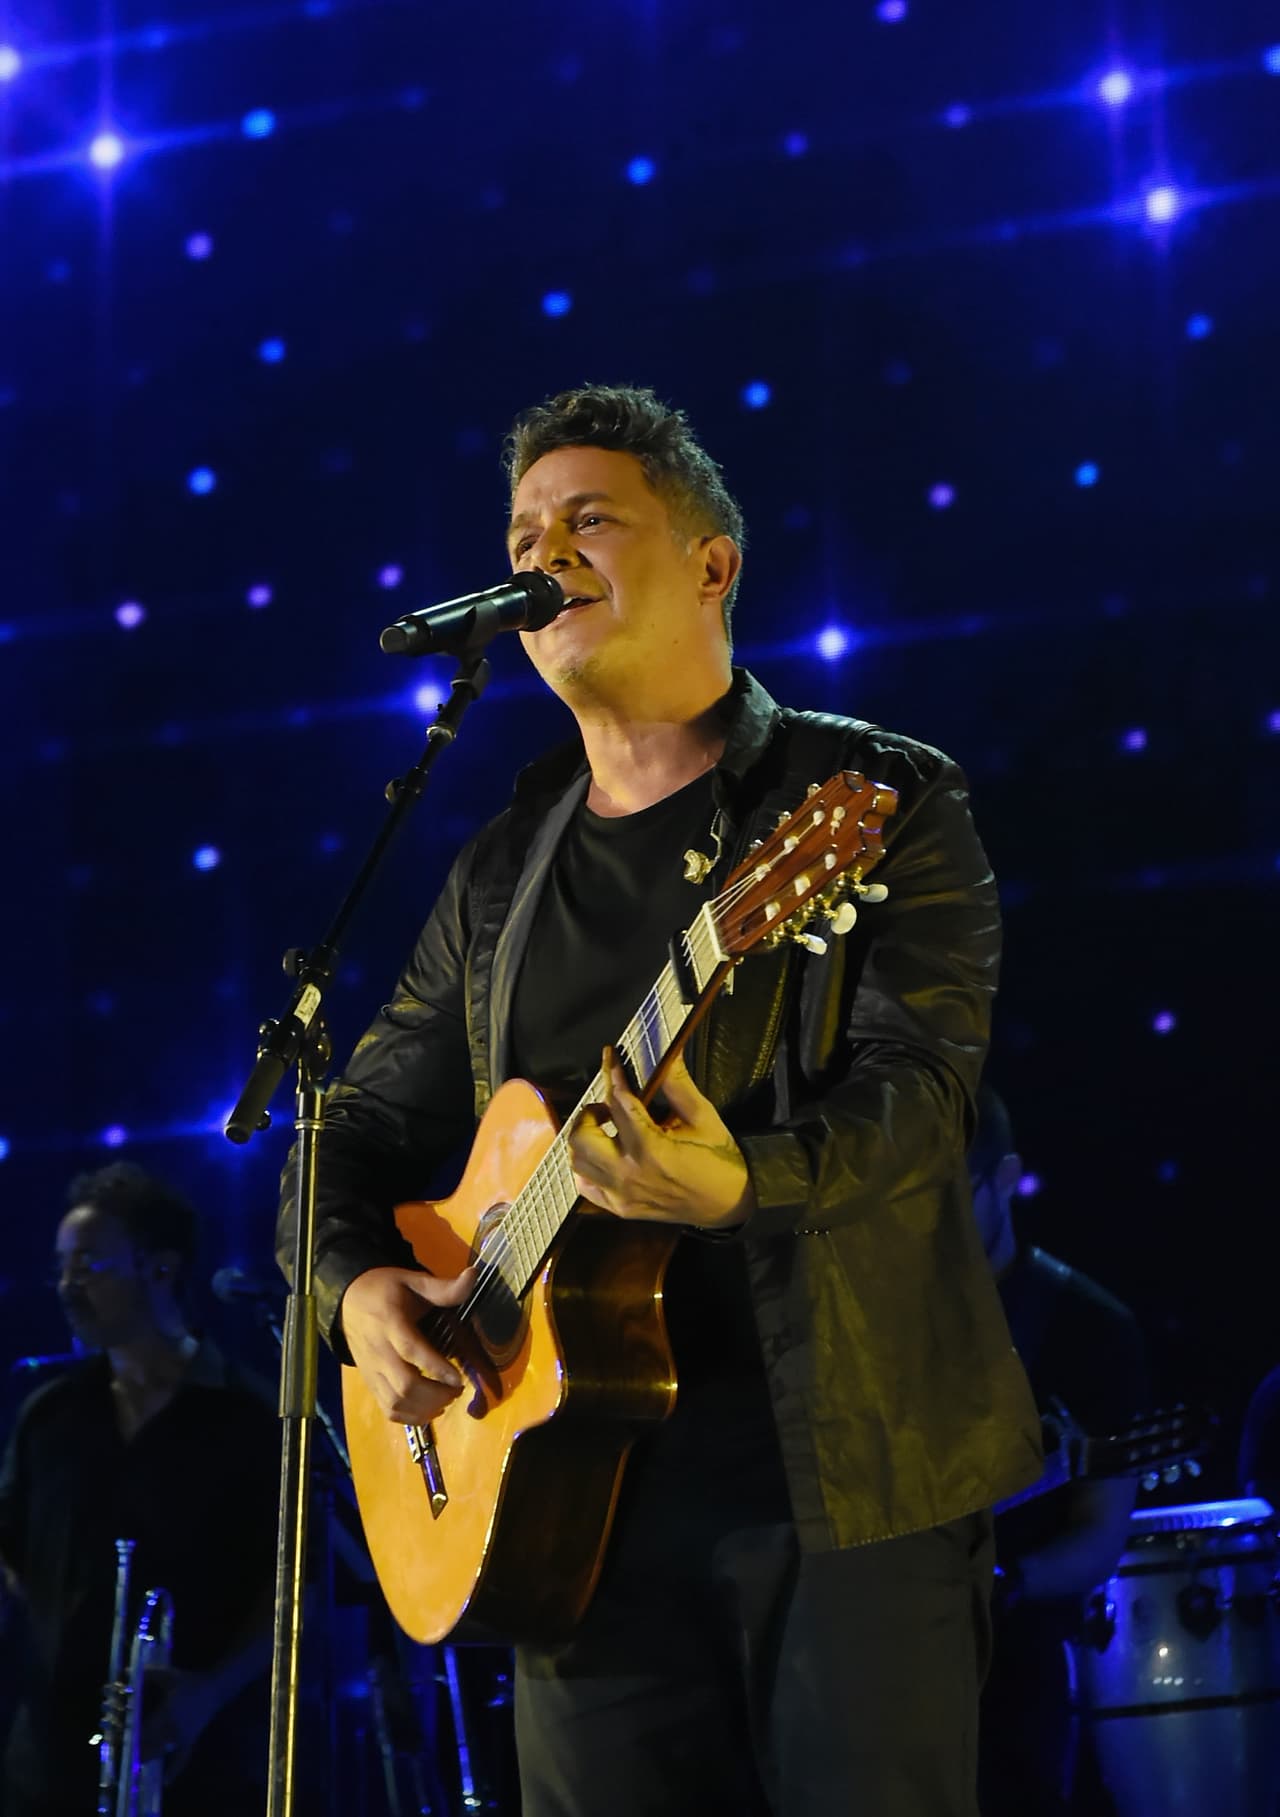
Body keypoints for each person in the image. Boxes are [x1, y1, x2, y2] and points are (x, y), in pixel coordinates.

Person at [279, 382, 1043, 1816]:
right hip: (571, 1518)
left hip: (843, 1482)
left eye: (590, 521)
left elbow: (923, 1098)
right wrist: (354, 1290)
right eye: (524, 535)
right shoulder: (500, 871)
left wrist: (744, 1183)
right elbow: (357, 1129)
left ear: (711, 563)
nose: (545, 554)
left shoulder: (868, 797)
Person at [0, 1162, 282, 1817]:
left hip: (198, 1768)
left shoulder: (251, 1416)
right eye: (62, 1267)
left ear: (160, 1267)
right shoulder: (49, 1414)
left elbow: (294, 1592)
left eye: (88, 1264)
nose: (67, 1285)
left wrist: (203, 1697)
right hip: (45, 1769)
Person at [969, 1087, 1149, 1816]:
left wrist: (1005, 1582)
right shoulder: (874, 1318)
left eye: (953, 1196)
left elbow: (1101, 1533)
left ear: (1006, 1178)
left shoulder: (1088, 1328)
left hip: (1011, 1669)